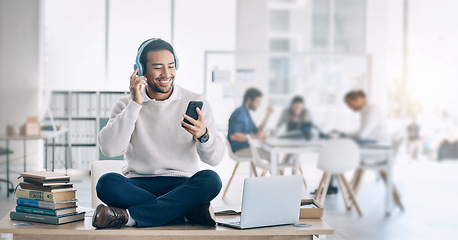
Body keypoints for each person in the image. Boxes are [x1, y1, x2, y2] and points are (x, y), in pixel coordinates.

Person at [92, 38, 225, 229]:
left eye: (171, 66)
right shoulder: (125, 105)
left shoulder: (195, 101)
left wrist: (203, 135)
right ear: (140, 70)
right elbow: (110, 149)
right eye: (158, 67)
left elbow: (216, 159)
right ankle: (186, 212)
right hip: (138, 183)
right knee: (106, 183)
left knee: (211, 180)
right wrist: (135, 105)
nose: (166, 74)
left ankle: (130, 217)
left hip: (182, 183)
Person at [227, 88, 273, 159]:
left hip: (246, 147)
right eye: (257, 102)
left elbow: (256, 131)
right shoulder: (240, 113)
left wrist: (267, 115)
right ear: (249, 100)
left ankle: (275, 170)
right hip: (239, 150)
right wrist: (256, 136)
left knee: (270, 153)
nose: (259, 105)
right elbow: (234, 136)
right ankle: (278, 170)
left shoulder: (246, 113)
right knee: (271, 155)